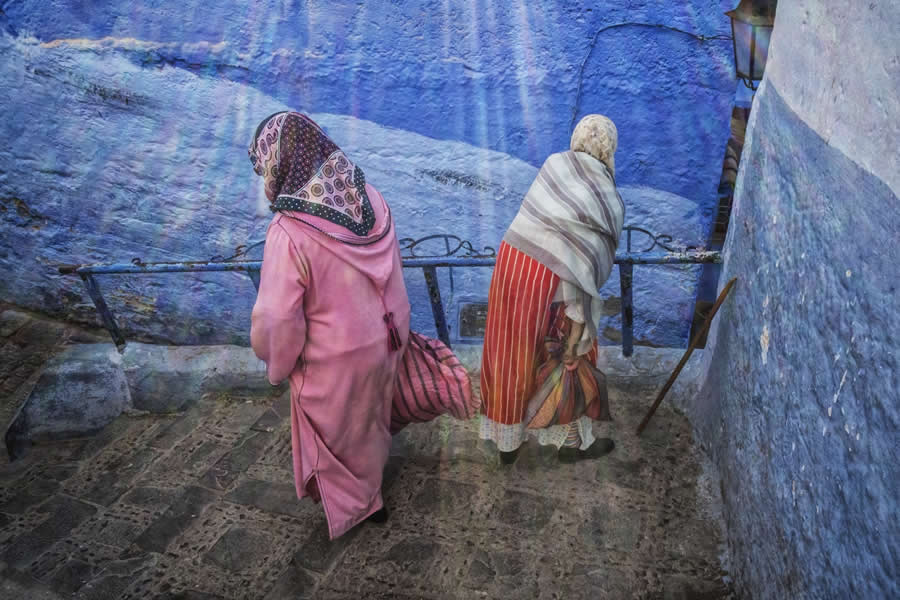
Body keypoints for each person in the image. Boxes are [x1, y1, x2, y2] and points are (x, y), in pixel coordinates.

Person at [248, 111, 410, 539]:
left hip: (335, 360)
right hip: (388, 338)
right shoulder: (370, 198)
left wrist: (276, 361)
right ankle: (370, 487)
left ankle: (363, 504)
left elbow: (276, 319)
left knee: (338, 439)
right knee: (369, 419)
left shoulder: (288, 232)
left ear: (281, 163)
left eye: (264, 166)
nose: (264, 176)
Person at [479, 114, 625, 464]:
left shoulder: (554, 164)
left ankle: (507, 446)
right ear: (610, 150)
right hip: (552, 278)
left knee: (510, 351)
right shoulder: (606, 193)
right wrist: (576, 337)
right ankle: (571, 444)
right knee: (567, 356)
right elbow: (581, 268)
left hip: (512, 262)